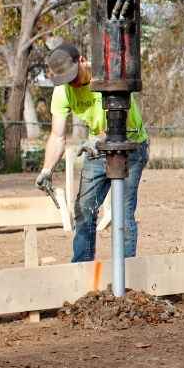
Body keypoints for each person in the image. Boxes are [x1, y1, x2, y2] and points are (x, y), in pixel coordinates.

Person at [36, 42, 149, 263]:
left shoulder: (107, 76)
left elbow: (125, 125)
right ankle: (82, 270)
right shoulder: (63, 92)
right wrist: (46, 170)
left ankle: (126, 275)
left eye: (73, 75)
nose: (72, 83)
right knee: (84, 210)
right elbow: (57, 136)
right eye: (65, 79)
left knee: (122, 214)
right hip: (97, 150)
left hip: (130, 147)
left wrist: (97, 139)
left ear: (82, 60)